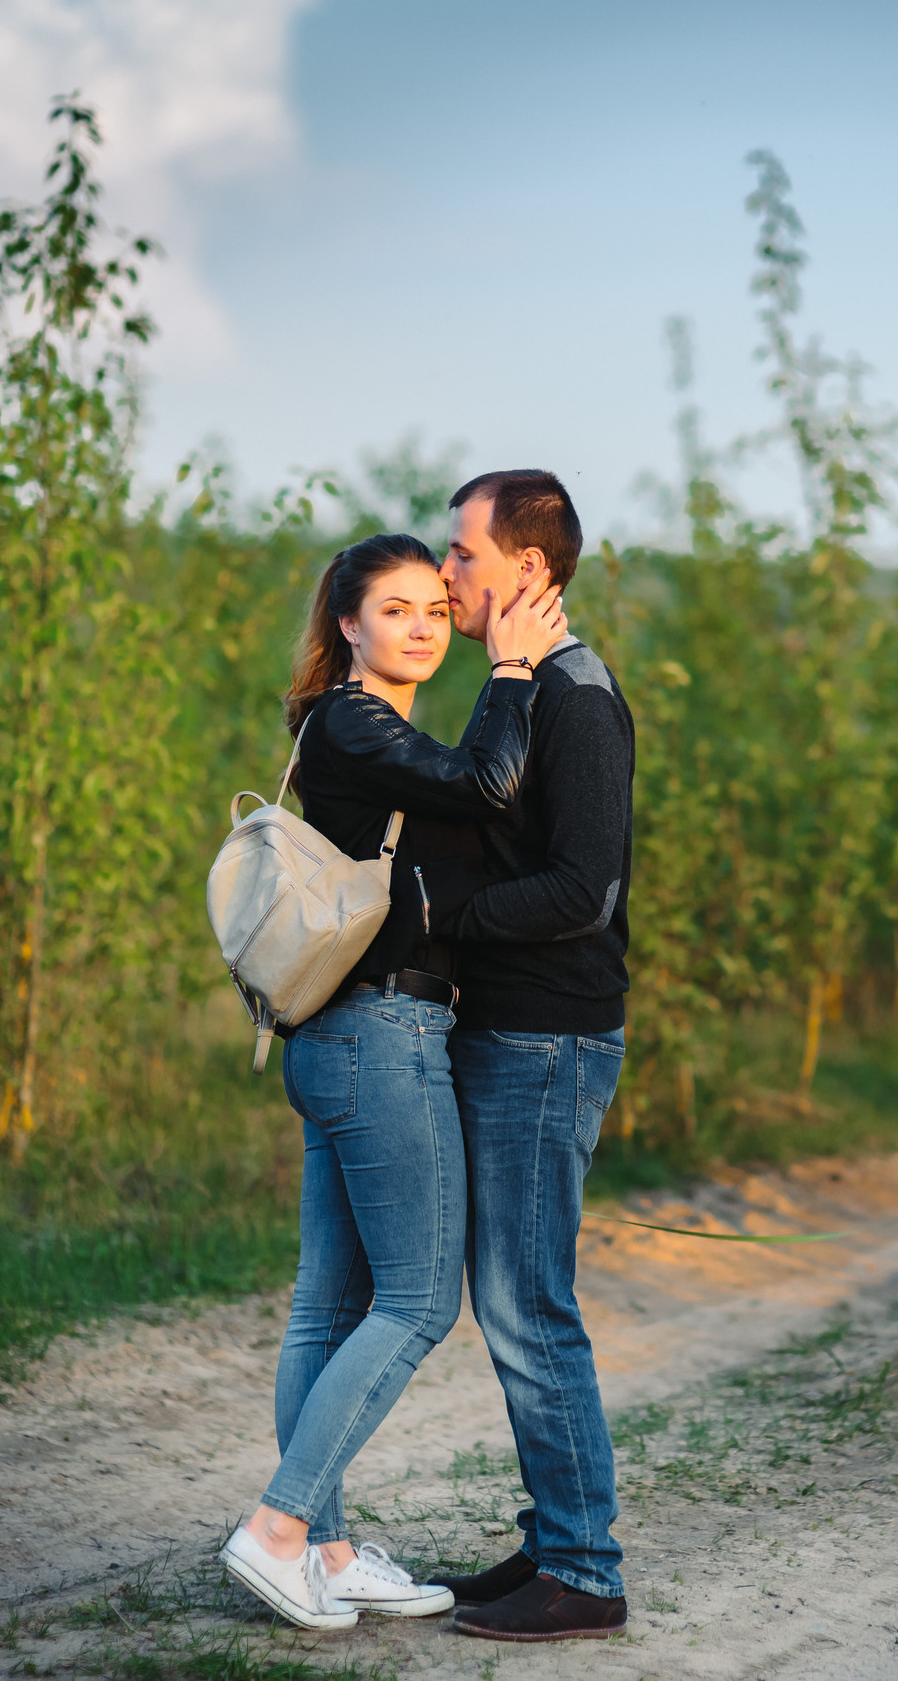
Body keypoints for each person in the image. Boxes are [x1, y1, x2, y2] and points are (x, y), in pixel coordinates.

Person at [218, 532, 567, 1631]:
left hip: (348, 1036)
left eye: (434, 609)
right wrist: (513, 668)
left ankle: (322, 1549)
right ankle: (279, 1528)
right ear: (348, 623)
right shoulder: (351, 721)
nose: (422, 626)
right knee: (417, 1301)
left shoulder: (379, 733)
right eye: (395, 609)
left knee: (330, 1302)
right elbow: (486, 779)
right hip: (381, 1034)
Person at [417, 471, 641, 1642]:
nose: (443, 570)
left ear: (529, 567)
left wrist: (442, 921)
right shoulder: (521, 682)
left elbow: (582, 889)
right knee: (512, 1296)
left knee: (527, 1302)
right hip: (510, 1030)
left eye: (462, 551)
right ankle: (555, 1539)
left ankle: (586, 1572)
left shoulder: (577, 694)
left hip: (548, 1037)